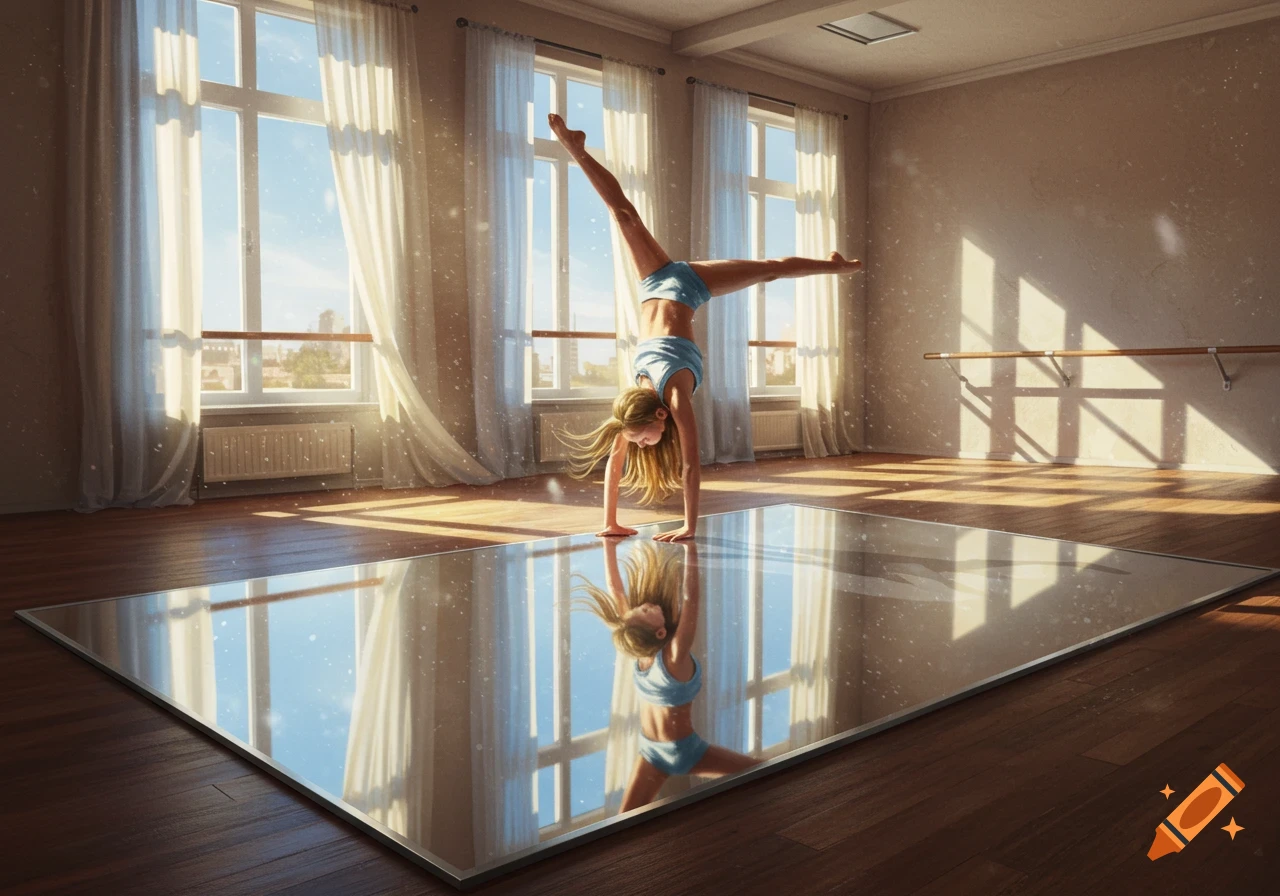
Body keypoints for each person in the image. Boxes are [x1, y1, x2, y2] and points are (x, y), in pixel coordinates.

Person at [549, 112, 863, 542]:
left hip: (655, 281)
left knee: (627, 216)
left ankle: (834, 268)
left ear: (658, 414)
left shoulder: (658, 397)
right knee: (760, 268)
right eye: (643, 440)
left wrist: (687, 527)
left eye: (641, 438)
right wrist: (610, 521)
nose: (643, 444)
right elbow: (625, 462)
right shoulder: (664, 399)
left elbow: (689, 465)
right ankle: (577, 149)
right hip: (690, 290)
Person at [575, 539, 760, 811]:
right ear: (659, 632)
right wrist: (690, 551)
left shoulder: (646, 655)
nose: (648, 604)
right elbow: (690, 603)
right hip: (654, 752)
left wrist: (609, 545)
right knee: (624, 820)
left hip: (680, 750)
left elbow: (616, 589)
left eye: (643, 608)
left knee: (763, 772)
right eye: (647, 611)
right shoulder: (671, 656)